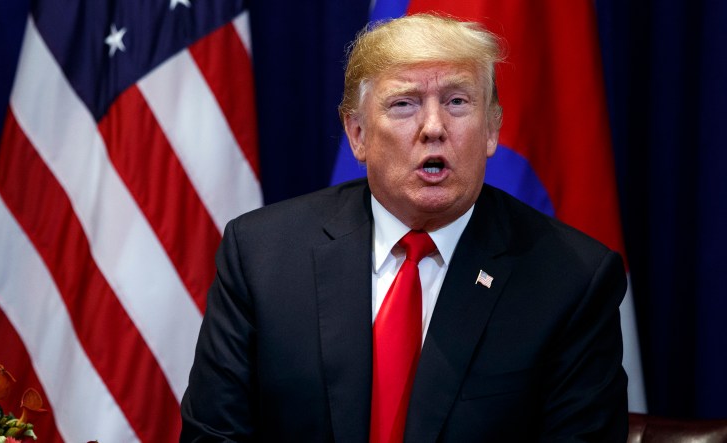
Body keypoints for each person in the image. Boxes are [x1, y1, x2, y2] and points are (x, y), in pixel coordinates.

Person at [180, 13, 628, 442]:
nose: (433, 128)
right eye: (403, 104)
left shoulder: (572, 280)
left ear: (492, 128)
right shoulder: (261, 255)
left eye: (457, 101)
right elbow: (215, 435)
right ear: (357, 134)